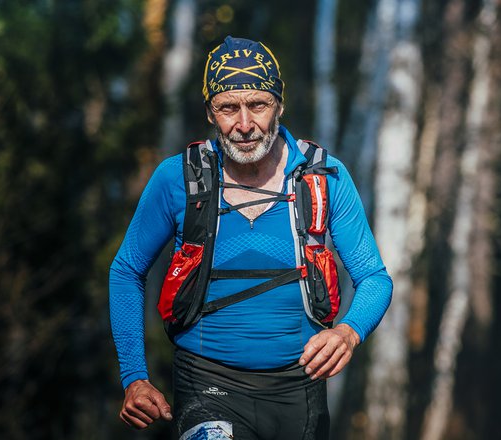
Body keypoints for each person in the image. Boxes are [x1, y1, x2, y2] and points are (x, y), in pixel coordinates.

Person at [109, 36, 393, 439]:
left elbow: (374, 278)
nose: (244, 125)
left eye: (257, 105)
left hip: (300, 389)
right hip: (205, 384)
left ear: (280, 104)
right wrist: (134, 376)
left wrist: (349, 332)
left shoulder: (324, 177)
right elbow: (126, 270)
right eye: (228, 108)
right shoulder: (179, 178)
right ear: (210, 111)